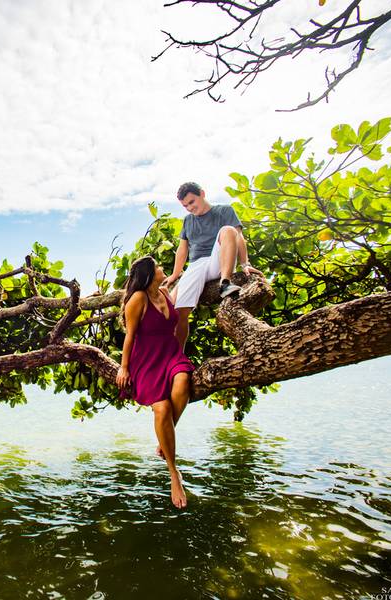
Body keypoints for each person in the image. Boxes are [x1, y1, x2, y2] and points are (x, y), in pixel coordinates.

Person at [115, 256, 195, 509]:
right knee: (162, 408)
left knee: (183, 383)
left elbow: (179, 323)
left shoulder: (165, 292)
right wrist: (124, 367)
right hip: (146, 360)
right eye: (158, 266)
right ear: (149, 274)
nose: (163, 269)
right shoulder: (138, 299)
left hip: (171, 354)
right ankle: (174, 473)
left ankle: (163, 440)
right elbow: (130, 336)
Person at [161, 181, 264, 351]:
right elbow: (182, 249)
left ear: (202, 194)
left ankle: (225, 283)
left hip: (219, 259)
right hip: (196, 265)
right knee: (178, 313)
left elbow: (238, 237)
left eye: (192, 202)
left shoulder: (224, 211)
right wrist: (174, 274)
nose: (190, 208)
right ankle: (177, 357)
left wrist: (245, 263)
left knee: (228, 230)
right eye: (185, 206)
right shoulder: (187, 221)